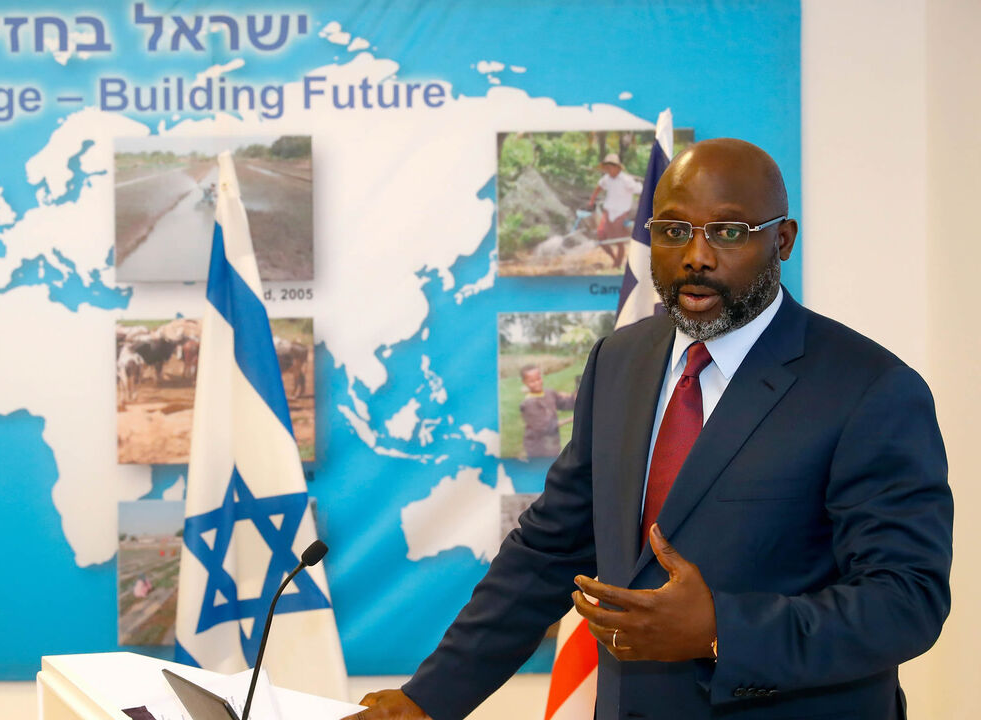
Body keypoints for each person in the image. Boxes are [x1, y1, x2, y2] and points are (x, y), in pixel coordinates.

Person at [347, 139, 951, 720]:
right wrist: (431, 699)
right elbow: (549, 552)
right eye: (673, 230)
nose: (696, 256)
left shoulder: (868, 388)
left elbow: (907, 599)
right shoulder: (619, 361)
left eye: (728, 231)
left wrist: (721, 630)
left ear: (783, 240)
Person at [586, 153, 643, 269]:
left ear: (617, 167)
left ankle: (617, 263)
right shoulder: (606, 179)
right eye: (606, 167)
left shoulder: (627, 180)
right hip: (608, 211)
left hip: (621, 212)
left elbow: (640, 190)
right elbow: (599, 188)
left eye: (610, 166)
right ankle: (614, 259)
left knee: (618, 239)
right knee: (601, 236)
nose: (608, 169)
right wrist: (591, 201)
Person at [517, 364, 576, 458]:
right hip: (537, 448)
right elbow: (546, 427)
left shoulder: (549, 393)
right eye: (532, 381)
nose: (537, 383)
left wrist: (574, 397)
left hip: (553, 445)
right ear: (524, 382)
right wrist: (570, 419)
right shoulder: (528, 405)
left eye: (538, 379)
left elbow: (566, 404)